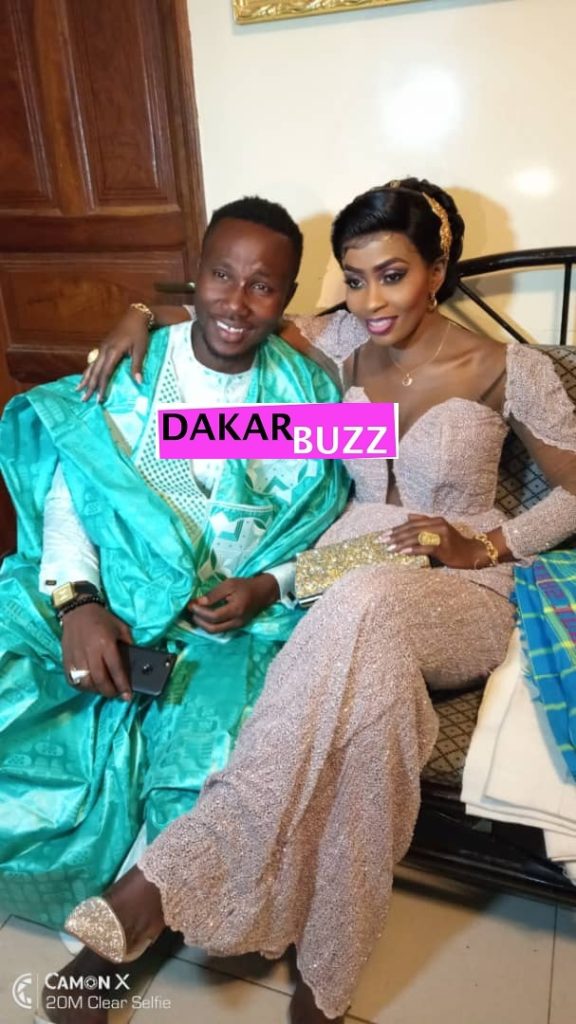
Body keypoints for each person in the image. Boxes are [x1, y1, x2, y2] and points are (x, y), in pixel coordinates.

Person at [33, 179, 576, 1024]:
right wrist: (138, 314)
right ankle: (325, 986)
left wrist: (490, 544)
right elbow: (227, 317)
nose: (372, 301)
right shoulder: (336, 345)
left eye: (393, 275)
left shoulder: (508, 367)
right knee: (376, 712)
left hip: (457, 588)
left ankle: (152, 895)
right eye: (354, 279)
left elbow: (575, 492)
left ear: (437, 270)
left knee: (366, 606)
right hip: (338, 574)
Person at [0, 197, 348, 937]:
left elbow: (330, 526)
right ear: (194, 275)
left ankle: (138, 916)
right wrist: (77, 602)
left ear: (288, 296)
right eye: (221, 275)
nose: (236, 302)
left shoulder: (314, 394)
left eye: (262, 286)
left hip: (236, 624)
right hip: (107, 594)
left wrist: (270, 587)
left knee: (216, 743)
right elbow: (72, 494)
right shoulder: (129, 368)